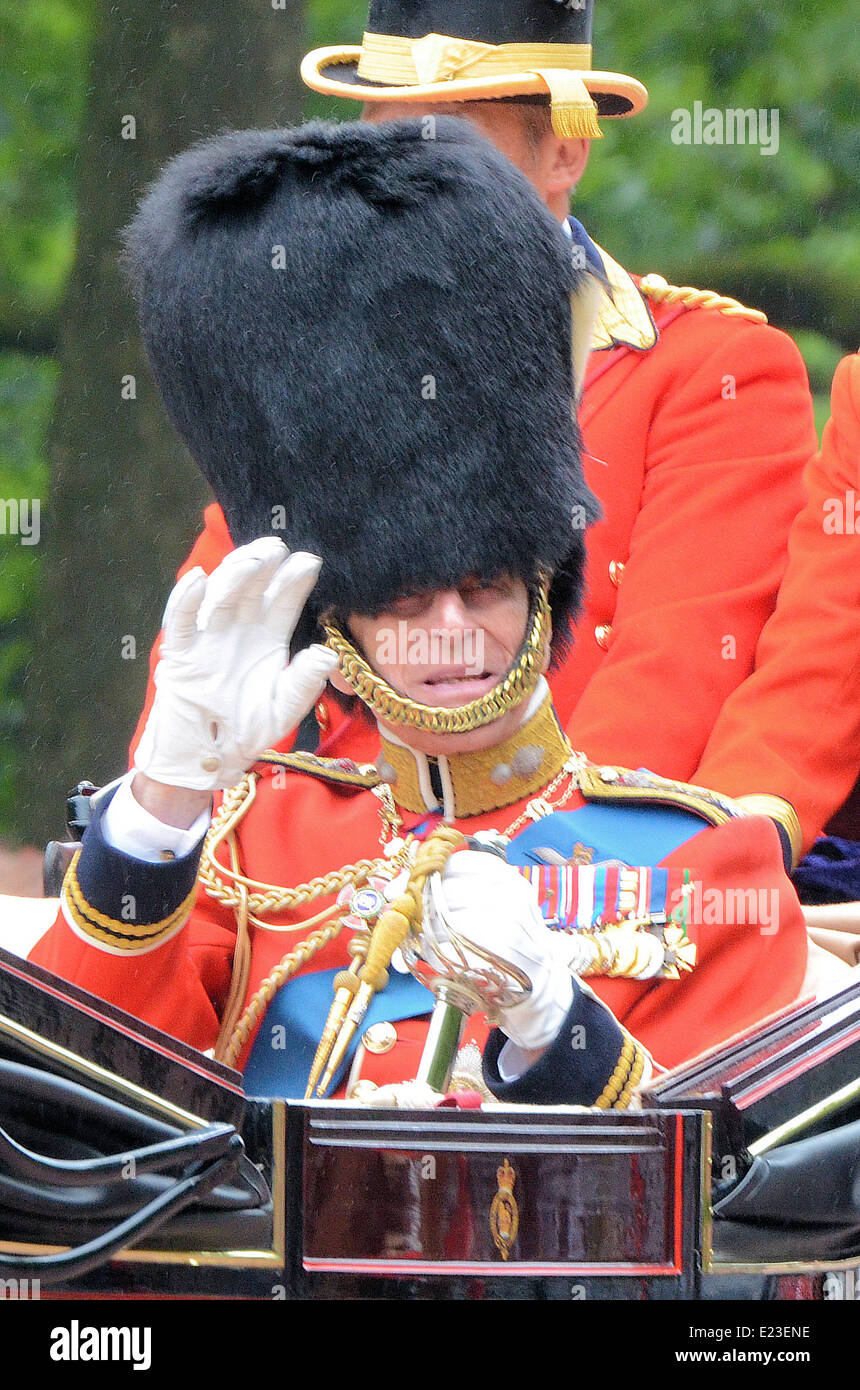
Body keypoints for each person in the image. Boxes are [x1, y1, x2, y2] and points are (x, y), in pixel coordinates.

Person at [31, 119, 808, 1106]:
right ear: (340, 620)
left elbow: (713, 1191)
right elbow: (75, 1104)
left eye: (482, 588)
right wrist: (160, 805)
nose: (448, 625)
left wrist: (551, 1028)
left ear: (539, 585)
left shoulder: (700, 860)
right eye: (400, 597)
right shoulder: (250, 842)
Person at [130, 0, 826, 866]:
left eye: (447, 146)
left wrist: (520, 880)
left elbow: (671, 682)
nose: (402, 188)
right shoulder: (318, 359)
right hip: (306, 883)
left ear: (564, 151)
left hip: (570, 881)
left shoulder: (712, 368)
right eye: (383, 146)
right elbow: (220, 632)